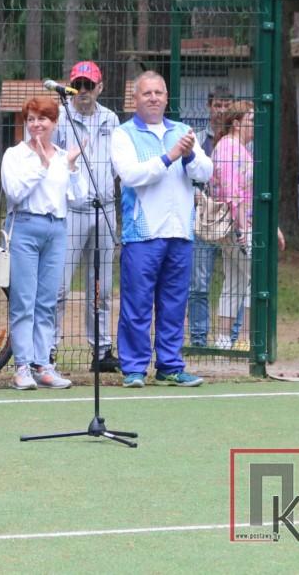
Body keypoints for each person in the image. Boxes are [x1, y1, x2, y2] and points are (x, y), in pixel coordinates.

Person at [111, 71, 212, 388]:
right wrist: (170, 156)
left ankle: (170, 365)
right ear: (135, 99)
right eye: (147, 93)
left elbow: (205, 172)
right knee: (137, 304)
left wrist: (190, 155)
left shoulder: (183, 131)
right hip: (142, 235)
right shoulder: (123, 134)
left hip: (180, 233)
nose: (153, 98)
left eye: (158, 92)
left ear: (167, 97)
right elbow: (131, 175)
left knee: (174, 305)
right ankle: (134, 368)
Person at [1, 97, 87, 390]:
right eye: (31, 119)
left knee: (48, 301)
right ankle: (22, 367)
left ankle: (43, 365)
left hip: (56, 229)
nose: (37, 124)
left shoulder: (63, 156)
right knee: (24, 300)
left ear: (55, 123)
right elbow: (14, 193)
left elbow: (79, 197)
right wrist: (40, 165)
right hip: (25, 227)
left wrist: (72, 166)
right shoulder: (15, 155)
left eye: (43, 119)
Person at [52, 60, 121, 372]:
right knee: (59, 286)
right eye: (77, 85)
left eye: (88, 85)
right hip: (70, 211)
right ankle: (48, 349)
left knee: (101, 288)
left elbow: (118, 162)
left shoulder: (111, 119)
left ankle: (102, 350)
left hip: (104, 208)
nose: (82, 91)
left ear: (99, 87)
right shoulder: (60, 117)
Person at [209, 101, 287, 349]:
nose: (255, 125)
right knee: (257, 278)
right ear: (236, 123)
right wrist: (242, 228)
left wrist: (271, 226)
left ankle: (224, 341)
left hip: (239, 224)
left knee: (235, 281)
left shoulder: (236, 148)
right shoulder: (229, 147)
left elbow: (248, 194)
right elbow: (233, 193)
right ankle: (248, 340)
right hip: (238, 226)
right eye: (251, 120)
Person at [187, 85, 243, 347]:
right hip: (205, 218)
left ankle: (232, 337)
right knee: (198, 283)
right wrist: (198, 196)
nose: (221, 111)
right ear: (209, 107)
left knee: (238, 279)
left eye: (226, 106)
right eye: (217, 105)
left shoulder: (242, 141)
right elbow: (186, 174)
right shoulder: (198, 140)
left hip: (234, 218)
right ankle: (199, 339)